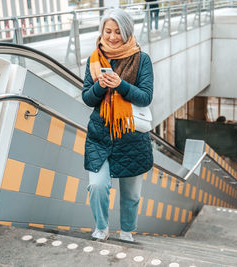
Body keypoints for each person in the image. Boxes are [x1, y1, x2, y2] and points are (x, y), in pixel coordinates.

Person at [82, 8, 154, 242]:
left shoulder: (142, 59)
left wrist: (121, 85)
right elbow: (87, 98)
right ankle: (101, 228)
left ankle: (126, 232)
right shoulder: (95, 59)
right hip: (100, 135)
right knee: (97, 186)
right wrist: (101, 86)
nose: (112, 37)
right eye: (108, 31)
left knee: (131, 194)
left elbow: (145, 97)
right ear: (102, 31)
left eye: (118, 32)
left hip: (131, 135)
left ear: (127, 31)